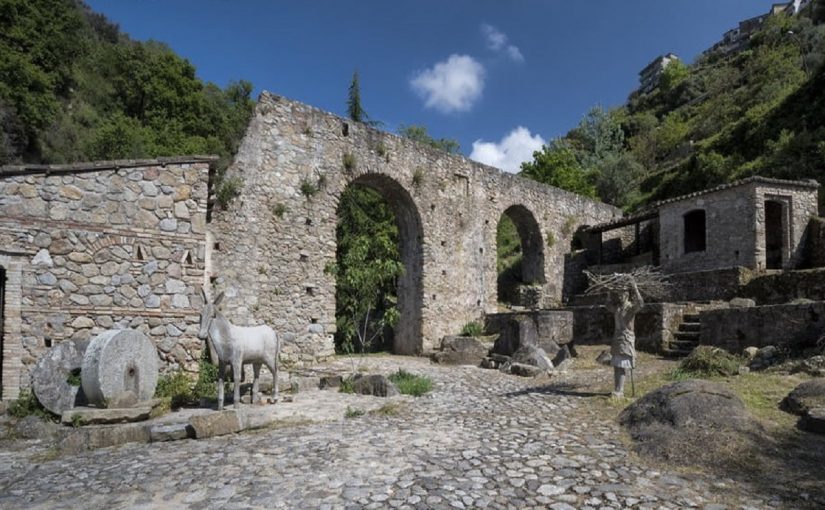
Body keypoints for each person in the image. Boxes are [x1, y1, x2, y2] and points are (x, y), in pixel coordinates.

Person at [606, 278, 644, 398]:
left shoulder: (630, 307)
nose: (620, 296)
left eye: (622, 294)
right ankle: (617, 389)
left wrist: (635, 288)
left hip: (626, 338)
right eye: (619, 294)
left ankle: (620, 391)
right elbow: (608, 306)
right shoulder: (617, 308)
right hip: (617, 338)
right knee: (616, 364)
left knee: (622, 364)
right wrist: (609, 292)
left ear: (627, 294)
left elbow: (640, 304)